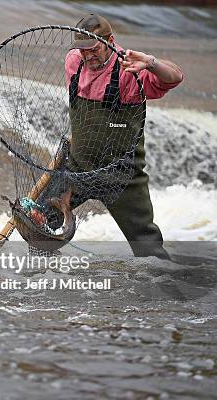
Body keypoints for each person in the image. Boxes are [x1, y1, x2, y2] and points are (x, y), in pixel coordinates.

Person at [51, 14, 184, 259]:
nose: (87, 56)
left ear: (109, 41)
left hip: (122, 176)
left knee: (149, 251)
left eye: (93, 49)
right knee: (36, 220)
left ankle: (170, 293)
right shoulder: (74, 62)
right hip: (78, 170)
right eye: (82, 50)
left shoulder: (130, 71)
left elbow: (174, 77)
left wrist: (151, 63)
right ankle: (40, 280)